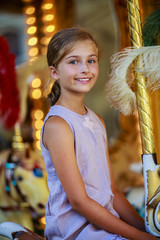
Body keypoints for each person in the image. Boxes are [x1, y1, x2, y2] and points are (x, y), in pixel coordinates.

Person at [40, 27, 157, 240]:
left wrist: (147, 230)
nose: (85, 69)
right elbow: (79, 201)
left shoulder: (96, 120)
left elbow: (112, 190)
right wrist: (141, 238)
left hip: (103, 226)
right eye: (73, 61)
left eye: (91, 60)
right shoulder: (59, 125)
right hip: (77, 230)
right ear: (54, 72)